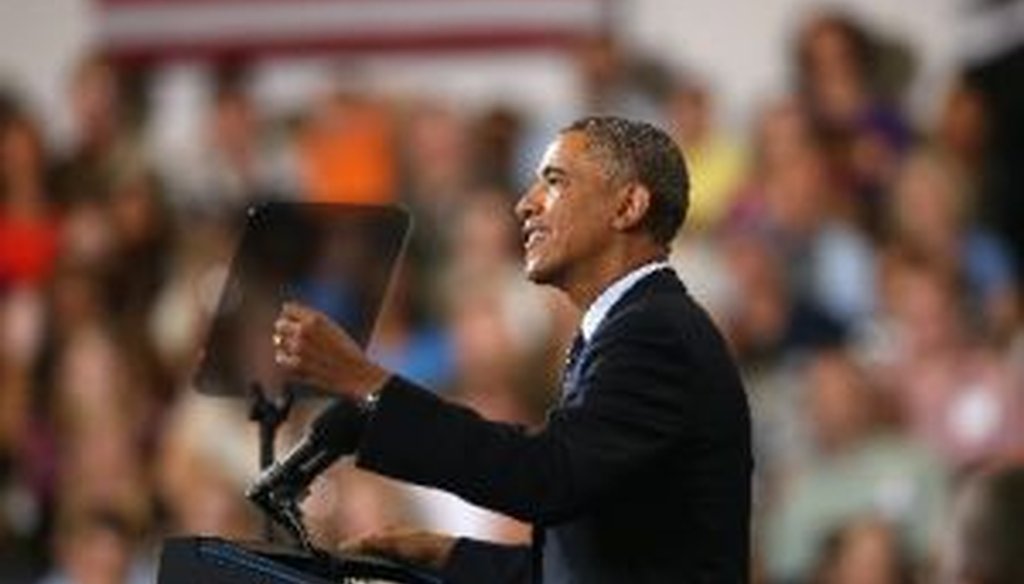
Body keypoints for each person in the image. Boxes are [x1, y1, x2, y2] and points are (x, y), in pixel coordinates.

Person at [272, 116, 752, 583]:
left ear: (627, 207)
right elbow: (590, 568)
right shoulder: (629, 327)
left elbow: (549, 477)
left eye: (555, 181)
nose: (526, 204)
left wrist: (364, 381)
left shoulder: (654, 333)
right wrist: (446, 555)